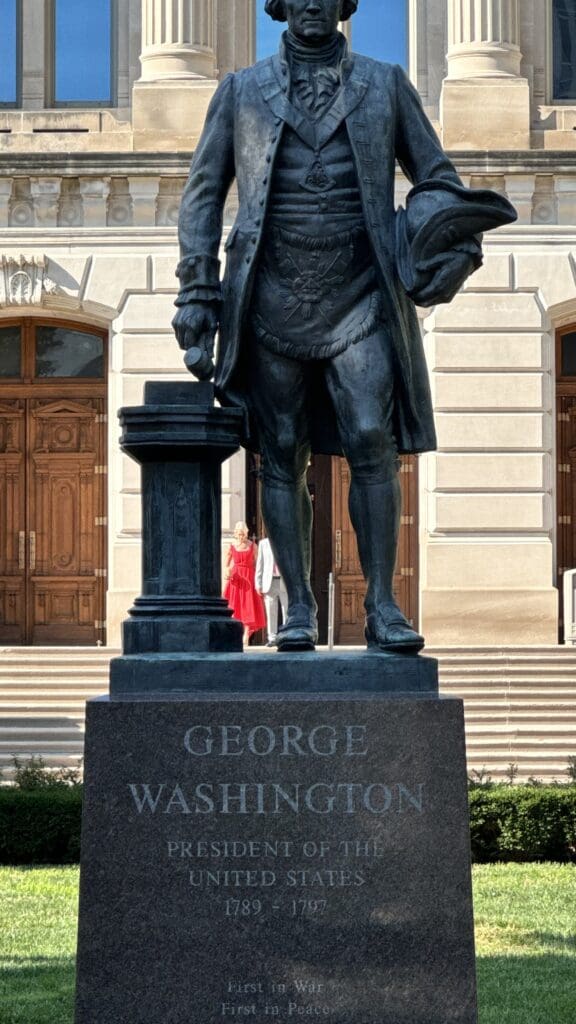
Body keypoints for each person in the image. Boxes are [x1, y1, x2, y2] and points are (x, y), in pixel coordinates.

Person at [173, 0, 516, 653]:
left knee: (370, 437)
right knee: (279, 451)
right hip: (270, 296)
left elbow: (436, 180)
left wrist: (452, 242)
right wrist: (196, 290)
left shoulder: (384, 84)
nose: (310, 3)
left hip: (361, 293)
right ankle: (298, 606)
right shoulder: (240, 92)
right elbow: (202, 194)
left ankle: (382, 603)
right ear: (277, 4)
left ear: (343, 4)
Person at [224, 522, 267, 645]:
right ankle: (235, 633)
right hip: (236, 579)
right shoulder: (231, 546)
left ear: (246, 533)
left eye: (243, 533)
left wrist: (259, 579)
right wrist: (227, 572)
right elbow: (226, 565)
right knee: (234, 605)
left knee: (249, 606)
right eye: (238, 533)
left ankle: (246, 635)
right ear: (235, 534)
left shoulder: (253, 546)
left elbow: (259, 564)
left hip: (249, 577)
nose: (241, 536)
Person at [256, 536, 289, 646]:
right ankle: (272, 637)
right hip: (269, 581)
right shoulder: (263, 544)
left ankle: (287, 635)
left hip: (284, 580)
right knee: (271, 610)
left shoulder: (287, 541)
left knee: (286, 609)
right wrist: (258, 583)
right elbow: (260, 564)